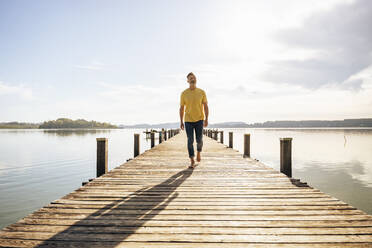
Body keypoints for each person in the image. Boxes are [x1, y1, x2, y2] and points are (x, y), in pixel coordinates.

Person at [179, 72, 209, 168]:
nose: (193, 79)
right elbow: (181, 108)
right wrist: (181, 121)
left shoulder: (201, 92)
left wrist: (206, 119)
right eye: (191, 78)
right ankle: (192, 160)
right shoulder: (184, 93)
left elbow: (205, 106)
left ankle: (199, 152)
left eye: (194, 77)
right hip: (188, 120)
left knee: (199, 140)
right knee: (190, 140)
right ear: (188, 81)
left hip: (199, 119)